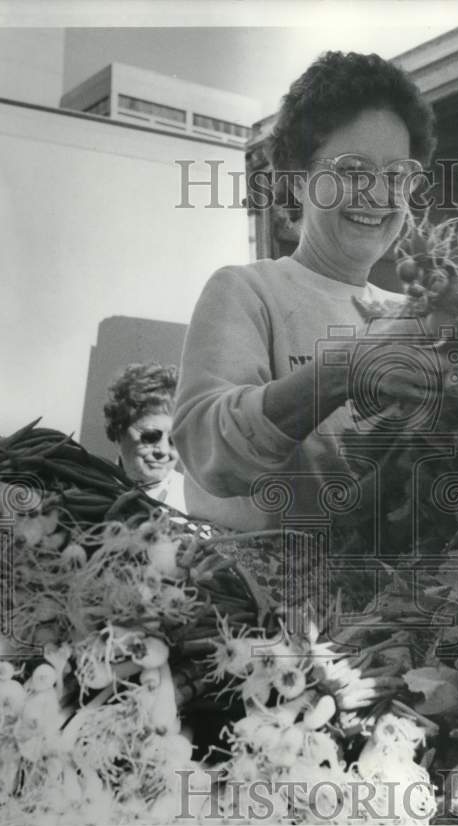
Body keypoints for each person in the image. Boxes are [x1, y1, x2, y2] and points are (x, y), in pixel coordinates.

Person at [172, 50, 438, 531]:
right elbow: (207, 448)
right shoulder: (249, 292)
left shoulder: (415, 317)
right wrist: (340, 373)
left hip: (392, 600)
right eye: (353, 170)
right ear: (296, 182)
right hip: (267, 598)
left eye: (397, 176)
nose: (378, 196)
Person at [104, 362, 187, 513]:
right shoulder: (90, 489)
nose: (163, 450)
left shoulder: (194, 503)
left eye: (174, 441)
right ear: (118, 430)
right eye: (150, 436)